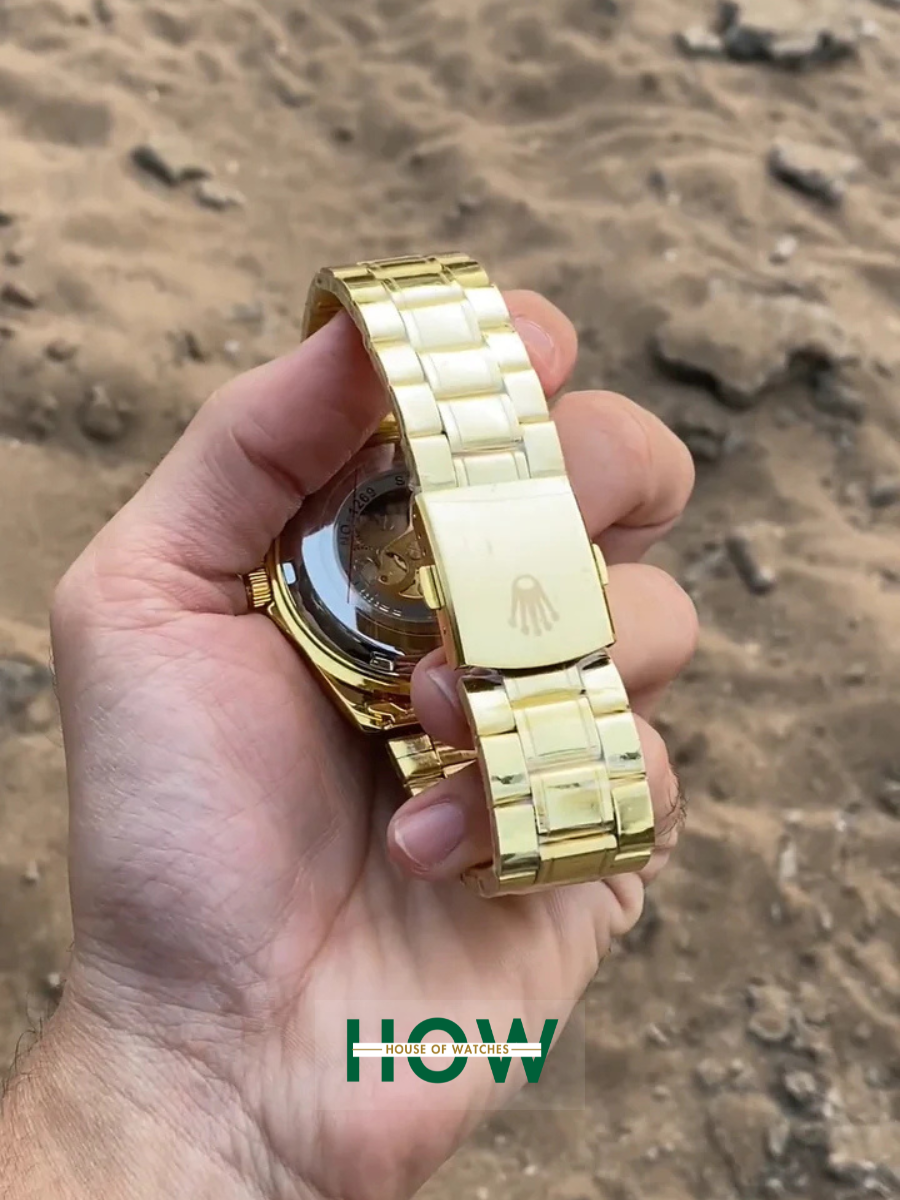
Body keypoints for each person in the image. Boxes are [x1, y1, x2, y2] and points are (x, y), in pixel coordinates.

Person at [0, 291, 696, 1200]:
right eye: (396, 547)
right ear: (273, 584)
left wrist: (206, 1108)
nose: (417, 558)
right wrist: (194, 1077)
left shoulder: (362, 503)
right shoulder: (280, 589)